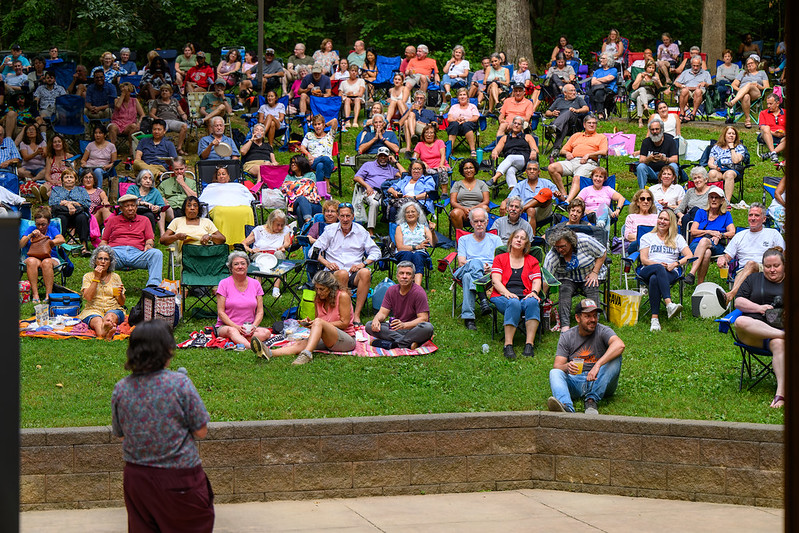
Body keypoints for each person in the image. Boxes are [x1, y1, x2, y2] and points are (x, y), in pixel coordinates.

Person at [112, 320, 214, 532]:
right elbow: (201, 431)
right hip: (179, 479)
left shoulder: (121, 389)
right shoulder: (179, 384)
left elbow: (121, 436)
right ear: (166, 351)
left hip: (137, 481)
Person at [256, 270, 357, 365]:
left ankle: (307, 354)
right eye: (316, 288)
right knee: (302, 343)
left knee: (318, 323)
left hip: (346, 339)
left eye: (322, 289)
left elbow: (344, 323)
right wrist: (311, 324)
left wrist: (319, 323)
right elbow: (320, 324)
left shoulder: (342, 296)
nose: (318, 292)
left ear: (331, 288)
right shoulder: (318, 299)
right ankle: (269, 352)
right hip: (327, 337)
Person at [547, 298, 624, 415]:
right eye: (587, 316)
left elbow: (619, 345)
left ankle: (591, 401)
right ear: (577, 318)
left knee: (616, 358)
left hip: (600, 380)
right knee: (554, 373)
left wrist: (598, 365)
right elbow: (557, 366)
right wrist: (567, 366)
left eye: (595, 316)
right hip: (577, 381)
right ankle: (566, 407)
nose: (593, 320)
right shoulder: (567, 336)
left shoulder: (603, 330)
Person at [311, 203, 381, 326]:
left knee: (365, 273)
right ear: (338, 216)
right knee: (342, 274)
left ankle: (356, 315)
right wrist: (326, 263)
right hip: (334, 273)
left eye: (348, 216)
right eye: (342, 216)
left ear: (353, 216)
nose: (345, 219)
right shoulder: (330, 230)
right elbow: (313, 250)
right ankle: (344, 314)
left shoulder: (361, 231)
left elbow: (376, 251)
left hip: (354, 272)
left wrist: (363, 264)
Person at [732, 247, 785, 408]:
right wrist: (759, 308)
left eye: (776, 265)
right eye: (768, 266)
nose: (772, 270)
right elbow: (738, 302)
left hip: (779, 334)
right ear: (763, 266)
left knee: (779, 343)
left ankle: (781, 394)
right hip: (753, 333)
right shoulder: (753, 279)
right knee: (740, 322)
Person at [716, 203, 785, 305]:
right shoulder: (740, 236)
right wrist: (722, 258)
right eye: (750, 215)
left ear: (764, 219)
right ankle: (738, 304)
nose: (752, 218)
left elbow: (783, 256)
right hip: (743, 271)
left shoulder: (773, 234)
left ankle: (730, 296)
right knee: (746, 268)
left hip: (766, 268)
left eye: (757, 215)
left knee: (750, 264)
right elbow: (727, 256)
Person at [490, 229, 542, 359]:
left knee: (532, 302)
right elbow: (495, 280)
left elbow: (537, 280)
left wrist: (534, 292)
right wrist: (507, 293)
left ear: (526, 244)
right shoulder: (500, 259)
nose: (519, 240)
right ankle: (508, 345)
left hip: (525, 296)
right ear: (511, 240)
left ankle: (529, 344)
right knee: (513, 302)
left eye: (522, 238)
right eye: (516, 237)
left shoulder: (532, 261)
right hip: (502, 296)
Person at [638, 209, 693, 331]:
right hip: (648, 269)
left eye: (665, 219)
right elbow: (644, 260)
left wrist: (675, 264)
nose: (662, 221)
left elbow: (689, 255)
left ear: (671, 223)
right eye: (660, 218)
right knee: (657, 269)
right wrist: (658, 265)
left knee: (654, 279)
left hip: (670, 272)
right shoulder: (647, 237)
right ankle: (669, 304)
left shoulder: (677, 238)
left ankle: (654, 319)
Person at [544, 226, 607, 332]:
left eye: (563, 246)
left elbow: (602, 253)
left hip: (589, 273)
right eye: (557, 247)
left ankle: (594, 322)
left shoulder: (585, 241)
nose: (560, 249)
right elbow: (546, 278)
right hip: (567, 277)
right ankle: (565, 326)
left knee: (592, 286)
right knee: (564, 290)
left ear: (571, 242)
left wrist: (595, 272)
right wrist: (542, 299)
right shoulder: (552, 256)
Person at [455, 207, 503, 330]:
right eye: (476, 221)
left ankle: (469, 318)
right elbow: (461, 262)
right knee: (475, 263)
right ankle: (483, 299)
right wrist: (480, 267)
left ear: (487, 222)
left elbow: (502, 262)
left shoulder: (495, 240)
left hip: (488, 274)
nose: (479, 224)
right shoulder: (463, 239)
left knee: (467, 278)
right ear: (471, 223)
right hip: (465, 268)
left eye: (482, 221)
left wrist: (491, 269)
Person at [101, 193, 164, 287]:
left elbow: (149, 239)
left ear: (136, 207)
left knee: (157, 253)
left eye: (133, 205)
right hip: (116, 254)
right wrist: (102, 249)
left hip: (137, 254)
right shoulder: (113, 220)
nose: (130, 208)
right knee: (100, 254)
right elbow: (104, 240)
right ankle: (101, 283)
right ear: (121, 209)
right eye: (127, 206)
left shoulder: (145, 220)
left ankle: (153, 285)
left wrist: (149, 245)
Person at [369, 261, 434, 349]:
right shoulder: (391, 290)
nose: (404, 276)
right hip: (397, 329)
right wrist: (376, 319)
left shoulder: (419, 292)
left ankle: (393, 344)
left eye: (408, 274)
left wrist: (404, 325)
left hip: (414, 329)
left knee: (427, 328)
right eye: (401, 273)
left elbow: (423, 318)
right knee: (369, 325)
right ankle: (408, 342)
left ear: (413, 277)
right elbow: (383, 313)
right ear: (397, 276)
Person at [215, 251, 272, 348]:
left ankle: (239, 339)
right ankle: (252, 347)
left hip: (248, 327)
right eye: (236, 264)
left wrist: (254, 326)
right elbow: (221, 312)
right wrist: (236, 327)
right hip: (227, 326)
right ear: (231, 268)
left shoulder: (255, 284)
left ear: (247, 266)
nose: (240, 266)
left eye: (243, 263)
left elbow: (260, 311)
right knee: (232, 331)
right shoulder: (224, 283)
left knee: (266, 333)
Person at [547, 115, 607, 198]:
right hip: (572, 161)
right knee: (552, 167)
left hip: (589, 163)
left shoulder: (601, 137)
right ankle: (564, 195)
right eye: (589, 123)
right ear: (584, 125)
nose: (592, 125)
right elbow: (562, 150)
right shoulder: (576, 135)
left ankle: (569, 201)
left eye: (594, 123)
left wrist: (588, 155)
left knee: (577, 178)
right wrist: (567, 153)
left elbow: (604, 151)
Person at [684, 186, 734, 285]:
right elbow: (693, 231)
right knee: (706, 253)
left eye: (716, 197)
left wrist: (720, 235)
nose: (714, 200)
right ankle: (700, 284)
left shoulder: (726, 215)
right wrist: (710, 232)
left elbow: (732, 232)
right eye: (711, 197)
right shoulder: (701, 212)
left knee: (704, 242)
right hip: (697, 245)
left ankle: (691, 273)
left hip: (717, 245)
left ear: (722, 200)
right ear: (708, 199)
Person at [78, 246, 126, 339]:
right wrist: (96, 278)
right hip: (93, 309)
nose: (103, 261)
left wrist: (120, 294)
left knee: (110, 317)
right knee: (97, 321)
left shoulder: (115, 277)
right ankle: (106, 332)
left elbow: (122, 303)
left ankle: (105, 330)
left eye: (106, 259)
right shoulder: (88, 276)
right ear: (95, 261)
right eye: (100, 258)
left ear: (110, 263)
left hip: (113, 308)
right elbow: (88, 297)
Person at [353, 145, 403, 234]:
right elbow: (357, 177)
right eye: (381, 155)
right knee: (374, 203)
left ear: (388, 157)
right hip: (371, 191)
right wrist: (367, 186)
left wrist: (395, 162)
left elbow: (404, 175)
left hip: (386, 193)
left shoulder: (391, 169)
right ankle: (371, 231)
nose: (383, 158)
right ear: (377, 156)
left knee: (397, 203)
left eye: (385, 156)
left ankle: (395, 231)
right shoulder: (368, 165)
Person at [198, 166, 254, 245]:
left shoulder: (238, 186)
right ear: (216, 177)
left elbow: (250, 197)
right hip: (219, 208)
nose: (221, 176)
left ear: (228, 176)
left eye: (223, 174)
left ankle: (246, 242)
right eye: (219, 174)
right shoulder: (211, 187)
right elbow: (204, 199)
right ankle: (221, 242)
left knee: (247, 210)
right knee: (219, 211)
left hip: (240, 207)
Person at [242, 209, 291, 298]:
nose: (280, 228)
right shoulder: (259, 230)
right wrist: (251, 250)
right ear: (271, 222)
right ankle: (258, 289)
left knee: (279, 254)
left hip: (275, 254)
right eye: (277, 225)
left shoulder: (285, 230)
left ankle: (276, 289)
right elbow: (243, 243)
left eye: (282, 225)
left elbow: (287, 242)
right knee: (260, 257)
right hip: (260, 254)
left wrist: (283, 247)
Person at [19, 206, 65, 302]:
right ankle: (35, 295)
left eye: (43, 224)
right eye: (38, 224)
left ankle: (48, 296)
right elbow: (21, 244)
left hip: (51, 257)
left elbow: (61, 239)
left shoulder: (52, 229)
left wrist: (49, 242)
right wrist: (30, 235)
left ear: (48, 223)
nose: (40, 227)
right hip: (33, 257)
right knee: (31, 261)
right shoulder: (31, 229)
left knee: (46, 262)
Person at [160, 195, 226, 257]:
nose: (192, 208)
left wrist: (210, 236)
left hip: (204, 254)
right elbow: (163, 240)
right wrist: (176, 237)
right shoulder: (177, 221)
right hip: (186, 256)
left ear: (198, 209)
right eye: (189, 206)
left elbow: (222, 239)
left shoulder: (206, 221)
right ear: (184, 209)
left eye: (195, 206)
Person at [49, 168, 92, 256]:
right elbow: (52, 202)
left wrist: (69, 203)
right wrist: (68, 204)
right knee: (61, 219)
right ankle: (59, 246)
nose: (69, 179)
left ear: (75, 180)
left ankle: (84, 246)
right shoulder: (56, 190)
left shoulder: (81, 190)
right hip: (62, 214)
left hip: (77, 214)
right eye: (66, 177)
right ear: (62, 180)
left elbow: (87, 203)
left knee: (82, 217)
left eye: (71, 177)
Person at [489, 115, 538, 190]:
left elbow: (535, 149)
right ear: (511, 125)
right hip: (510, 163)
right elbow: (497, 149)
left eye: (519, 124)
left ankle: (495, 177)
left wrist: (533, 151)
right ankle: (515, 193)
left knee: (510, 157)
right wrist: (495, 151)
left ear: (522, 127)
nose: (516, 125)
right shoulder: (505, 138)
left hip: (523, 160)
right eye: (515, 123)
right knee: (510, 171)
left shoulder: (527, 137)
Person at [394, 201, 437, 286]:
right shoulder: (400, 228)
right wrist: (417, 247)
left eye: (413, 211)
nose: (410, 214)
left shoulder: (423, 228)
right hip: (403, 252)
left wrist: (432, 232)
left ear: (418, 214)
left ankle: (417, 288)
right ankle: (405, 284)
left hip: (420, 253)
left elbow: (433, 243)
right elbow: (400, 247)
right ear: (404, 215)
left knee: (418, 255)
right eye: (407, 212)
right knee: (407, 254)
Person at [542, 83, 589, 155]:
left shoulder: (578, 99)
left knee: (569, 112)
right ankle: (556, 149)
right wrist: (552, 113)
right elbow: (547, 112)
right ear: (565, 93)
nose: (574, 93)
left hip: (575, 124)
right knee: (564, 125)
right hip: (563, 126)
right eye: (571, 91)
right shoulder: (559, 100)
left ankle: (553, 127)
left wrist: (577, 110)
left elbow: (586, 108)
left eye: (574, 91)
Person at [635, 116, 678, 189]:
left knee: (674, 166)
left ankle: (673, 190)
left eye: (657, 129)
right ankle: (642, 192)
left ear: (662, 129)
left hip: (665, 172)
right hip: (651, 171)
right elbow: (641, 160)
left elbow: (675, 159)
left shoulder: (670, 140)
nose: (654, 131)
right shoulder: (646, 142)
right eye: (652, 130)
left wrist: (664, 159)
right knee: (640, 167)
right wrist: (649, 159)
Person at [707, 126, 748, 201]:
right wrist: (715, 167)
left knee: (729, 174)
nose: (731, 135)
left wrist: (732, 148)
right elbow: (710, 162)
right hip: (718, 169)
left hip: (732, 169)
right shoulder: (716, 147)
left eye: (733, 134)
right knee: (712, 173)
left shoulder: (739, 147)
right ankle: (716, 199)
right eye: (729, 133)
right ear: (724, 135)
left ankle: (727, 202)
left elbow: (735, 161)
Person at [727, 55, 768, 129]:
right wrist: (741, 91)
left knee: (749, 84)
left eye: (751, 63)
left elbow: (767, 87)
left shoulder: (762, 73)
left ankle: (733, 102)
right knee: (746, 96)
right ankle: (747, 120)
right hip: (743, 95)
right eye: (748, 64)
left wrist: (759, 86)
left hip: (756, 93)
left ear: (757, 64)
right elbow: (733, 84)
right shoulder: (743, 73)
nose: (749, 65)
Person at [449, 157, 489, 230]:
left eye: (471, 168)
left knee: (485, 208)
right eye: (466, 168)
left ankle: (481, 236)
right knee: (455, 212)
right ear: (462, 171)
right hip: (462, 211)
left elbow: (486, 201)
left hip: (478, 210)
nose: (468, 170)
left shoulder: (482, 184)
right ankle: (460, 238)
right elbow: (453, 202)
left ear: (475, 169)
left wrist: (474, 208)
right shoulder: (457, 184)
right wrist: (464, 209)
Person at [149, 84, 189, 156]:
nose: (164, 92)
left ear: (170, 93)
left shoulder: (174, 101)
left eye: (166, 91)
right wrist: (157, 119)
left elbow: (181, 111)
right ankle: (160, 149)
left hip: (174, 121)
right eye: (162, 91)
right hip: (162, 121)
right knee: (160, 129)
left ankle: (179, 148)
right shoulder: (157, 102)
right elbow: (151, 114)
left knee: (184, 126)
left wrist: (184, 115)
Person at [281, 154, 322, 223]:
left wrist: (292, 186)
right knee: (301, 198)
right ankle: (309, 222)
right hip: (294, 203)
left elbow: (309, 188)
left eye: (295, 163)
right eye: (292, 163)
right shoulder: (289, 177)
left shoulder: (311, 175)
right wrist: (303, 184)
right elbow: (284, 188)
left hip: (312, 203)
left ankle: (304, 229)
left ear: (302, 163)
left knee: (300, 208)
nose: (293, 164)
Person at [300, 113, 338, 185]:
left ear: (323, 124)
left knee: (321, 164)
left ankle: (318, 190)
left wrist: (325, 126)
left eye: (319, 124)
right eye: (315, 125)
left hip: (329, 163)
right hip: (313, 162)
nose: (317, 127)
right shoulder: (309, 135)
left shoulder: (330, 135)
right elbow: (302, 147)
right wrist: (309, 155)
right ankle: (327, 183)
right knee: (322, 161)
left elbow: (335, 120)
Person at [127, 169, 167, 234]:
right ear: (140, 179)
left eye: (150, 179)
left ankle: (150, 237)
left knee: (149, 215)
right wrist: (143, 203)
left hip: (148, 213)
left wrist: (157, 208)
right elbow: (128, 201)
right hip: (133, 211)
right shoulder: (133, 188)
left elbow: (161, 205)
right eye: (145, 178)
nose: (148, 181)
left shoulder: (155, 191)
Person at [80, 123, 117, 192]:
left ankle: (98, 192)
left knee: (97, 171)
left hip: (102, 168)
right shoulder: (90, 145)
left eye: (100, 133)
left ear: (105, 135)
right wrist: (83, 164)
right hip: (90, 166)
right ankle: (83, 191)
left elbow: (114, 162)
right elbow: (83, 160)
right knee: (82, 171)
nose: (97, 135)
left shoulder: (111, 146)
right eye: (96, 133)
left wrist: (107, 166)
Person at [673, 56, 711, 122]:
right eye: (694, 66)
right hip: (687, 90)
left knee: (698, 91)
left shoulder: (706, 73)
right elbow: (676, 83)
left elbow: (710, 85)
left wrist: (705, 83)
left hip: (699, 91)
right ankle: (682, 114)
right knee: (684, 91)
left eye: (697, 66)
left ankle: (693, 114)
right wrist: (682, 86)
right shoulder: (685, 72)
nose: (695, 68)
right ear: (691, 64)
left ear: (701, 65)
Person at [412, 124, 448, 191]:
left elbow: (443, 155)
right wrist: (422, 163)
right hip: (427, 167)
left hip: (440, 165)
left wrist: (441, 164)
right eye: (427, 133)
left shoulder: (439, 142)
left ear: (434, 134)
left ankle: (444, 193)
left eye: (431, 133)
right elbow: (414, 159)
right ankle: (427, 192)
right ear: (423, 135)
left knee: (442, 170)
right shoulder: (419, 145)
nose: (429, 135)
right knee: (424, 171)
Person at [108, 82, 144, 147]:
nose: (124, 93)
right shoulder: (117, 100)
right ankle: (112, 150)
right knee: (112, 127)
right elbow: (118, 106)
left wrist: (139, 123)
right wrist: (122, 95)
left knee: (134, 126)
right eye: (122, 91)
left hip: (129, 124)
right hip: (117, 123)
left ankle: (131, 148)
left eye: (126, 91)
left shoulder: (134, 101)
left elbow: (142, 114)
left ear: (130, 91)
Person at [446, 88, 479, 156]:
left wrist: (466, 120)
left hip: (469, 124)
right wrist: (456, 120)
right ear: (458, 98)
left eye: (464, 94)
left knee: (466, 125)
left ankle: (472, 150)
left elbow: (476, 118)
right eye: (460, 95)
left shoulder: (472, 106)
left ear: (467, 97)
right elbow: (449, 119)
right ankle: (449, 150)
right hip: (456, 125)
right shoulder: (454, 107)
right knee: (454, 125)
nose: (462, 96)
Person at [623, 189, 658, 253]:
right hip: (636, 246)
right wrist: (645, 239)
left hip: (654, 246)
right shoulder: (631, 217)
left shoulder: (657, 217)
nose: (646, 201)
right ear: (637, 202)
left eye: (648, 199)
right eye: (642, 199)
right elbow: (628, 236)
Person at [15, 124, 46, 197]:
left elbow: (46, 154)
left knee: (46, 171)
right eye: (29, 130)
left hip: (40, 167)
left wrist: (43, 153)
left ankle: (32, 180)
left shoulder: (42, 142)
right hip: (27, 168)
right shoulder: (23, 143)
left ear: (37, 132)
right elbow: (25, 157)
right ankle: (35, 180)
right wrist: (36, 153)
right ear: (26, 133)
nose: (31, 131)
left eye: (33, 129)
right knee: (19, 171)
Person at [629, 60, 662, 127]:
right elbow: (634, 87)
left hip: (649, 95)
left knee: (639, 99)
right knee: (642, 89)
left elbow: (660, 88)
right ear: (646, 68)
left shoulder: (655, 75)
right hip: (637, 93)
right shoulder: (640, 75)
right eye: (649, 67)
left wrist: (656, 83)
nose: (651, 70)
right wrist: (641, 78)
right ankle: (646, 106)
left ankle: (640, 120)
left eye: (653, 68)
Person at [41, 132, 73, 199]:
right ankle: (42, 192)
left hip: (64, 181)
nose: (57, 144)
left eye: (59, 142)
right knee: (45, 186)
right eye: (55, 142)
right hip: (52, 181)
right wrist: (51, 181)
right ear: (52, 145)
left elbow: (71, 174)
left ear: (63, 143)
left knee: (57, 188)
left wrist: (60, 181)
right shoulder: (50, 158)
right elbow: (47, 174)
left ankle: (45, 196)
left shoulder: (69, 157)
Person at [587, 53, 618, 120]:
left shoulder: (613, 70)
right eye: (600, 58)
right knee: (589, 92)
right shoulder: (598, 71)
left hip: (610, 88)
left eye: (603, 58)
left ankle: (600, 114)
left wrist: (597, 79)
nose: (601, 60)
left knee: (599, 92)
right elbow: (593, 82)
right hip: (597, 88)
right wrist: (603, 79)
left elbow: (609, 79)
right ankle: (594, 111)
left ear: (609, 60)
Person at [758, 94, 785, 164]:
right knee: (766, 128)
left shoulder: (785, 112)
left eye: (771, 104)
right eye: (767, 104)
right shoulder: (763, 113)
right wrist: (773, 133)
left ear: (777, 103)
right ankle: (773, 153)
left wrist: (783, 133)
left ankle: (771, 154)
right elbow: (762, 127)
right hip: (767, 135)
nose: (768, 106)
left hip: (782, 136)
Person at [339, 64, 366, 128]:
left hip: (358, 98)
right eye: (352, 71)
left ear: (357, 73)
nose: (354, 72)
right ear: (349, 71)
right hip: (347, 99)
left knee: (357, 99)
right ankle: (347, 121)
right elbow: (340, 94)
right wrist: (346, 95)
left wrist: (353, 95)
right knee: (347, 100)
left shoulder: (361, 81)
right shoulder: (343, 83)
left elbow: (361, 93)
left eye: (355, 71)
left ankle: (355, 121)